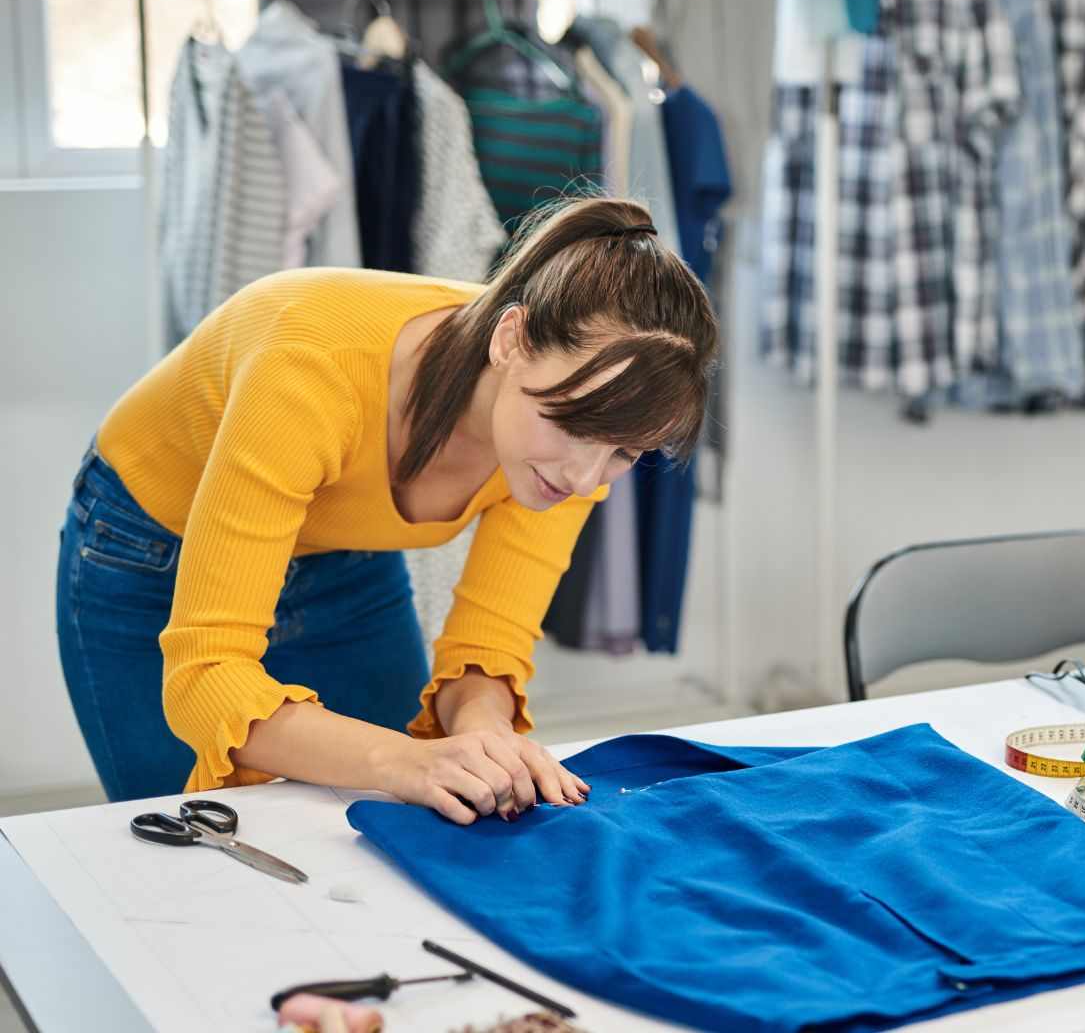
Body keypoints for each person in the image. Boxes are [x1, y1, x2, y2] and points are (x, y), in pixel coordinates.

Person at [55, 196, 716, 823]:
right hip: (145, 550)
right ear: (510, 340)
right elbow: (206, 676)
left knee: (406, 817)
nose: (586, 478)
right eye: (572, 425)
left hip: (343, 554)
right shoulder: (309, 365)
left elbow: (488, 646)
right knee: (193, 851)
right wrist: (406, 760)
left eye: (624, 453)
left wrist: (486, 733)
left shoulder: (577, 434)